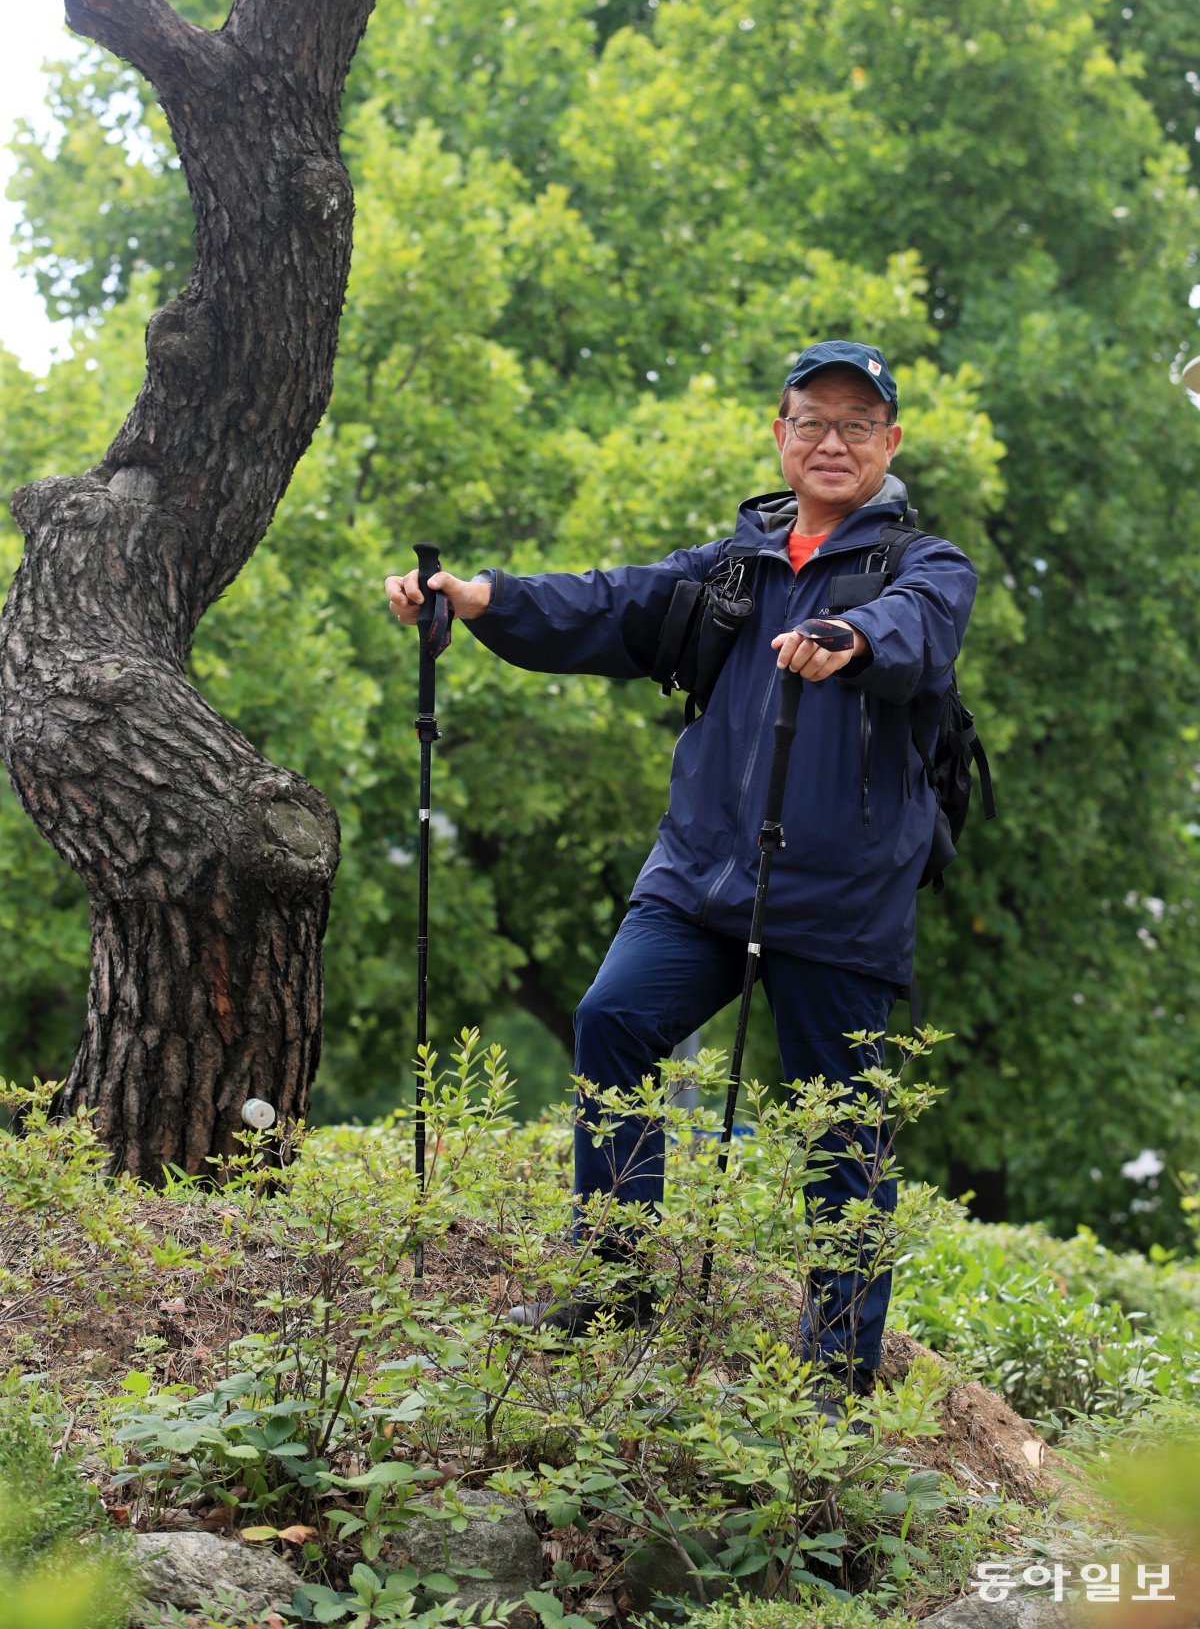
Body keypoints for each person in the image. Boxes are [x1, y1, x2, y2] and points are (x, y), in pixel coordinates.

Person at [385, 340, 977, 1399]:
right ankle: (612, 1276)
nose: (831, 442)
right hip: (703, 875)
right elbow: (611, 604)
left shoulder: (921, 566)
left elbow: (920, 633)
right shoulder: (732, 569)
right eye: (812, 421)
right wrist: (479, 598)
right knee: (613, 1017)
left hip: (839, 901)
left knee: (844, 1121)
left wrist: (849, 636)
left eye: (856, 425)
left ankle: (840, 1366)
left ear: (889, 443)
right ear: (779, 433)